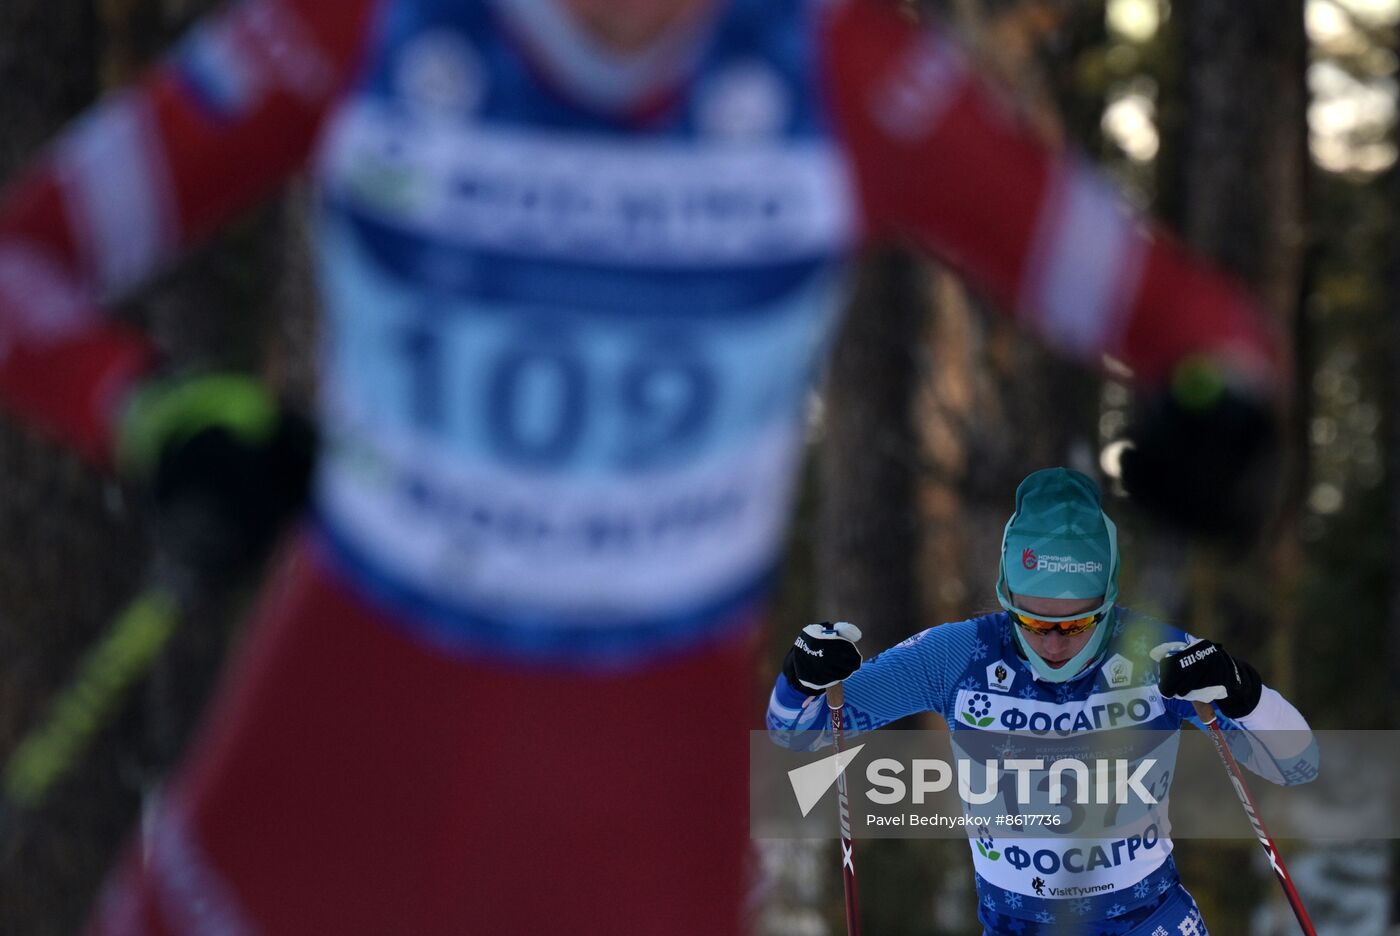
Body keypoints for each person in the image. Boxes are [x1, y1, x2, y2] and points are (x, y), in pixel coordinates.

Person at [0, 0, 1282, 931]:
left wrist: (1213, 417)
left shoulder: (846, 73)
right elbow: (24, 262)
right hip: (347, 713)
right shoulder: (359, 34)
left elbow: (1197, 331)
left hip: (635, 775)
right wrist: (156, 420)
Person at [768, 467, 1318, 935]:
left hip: (1149, 923)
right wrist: (802, 678)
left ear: (1109, 600)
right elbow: (798, 732)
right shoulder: (959, 655)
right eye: (1032, 621)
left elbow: (1298, 764)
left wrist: (1243, 691)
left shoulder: (1158, 654)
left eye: (1078, 623)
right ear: (1006, 597)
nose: (1054, 642)